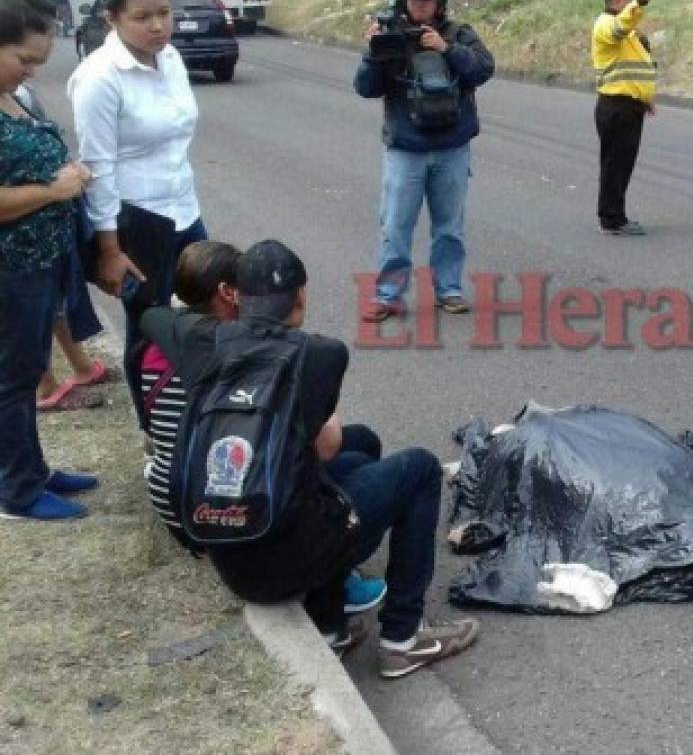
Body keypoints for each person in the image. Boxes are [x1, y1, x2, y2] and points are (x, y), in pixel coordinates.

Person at [146, 239, 480, 674]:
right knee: (418, 468)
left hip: (230, 559)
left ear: (237, 297)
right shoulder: (321, 354)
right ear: (301, 296)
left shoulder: (199, 340)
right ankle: (403, 638)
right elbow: (326, 443)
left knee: (350, 468)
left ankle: (329, 629)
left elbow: (154, 316)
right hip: (288, 558)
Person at [139, 241, 386, 615]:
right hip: (245, 515)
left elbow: (152, 316)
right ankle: (351, 605)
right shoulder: (227, 348)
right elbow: (325, 445)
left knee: (356, 445)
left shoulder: (179, 341)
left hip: (187, 503)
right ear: (230, 292)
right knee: (339, 457)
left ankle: (336, 581)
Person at [68, 0, 207, 427]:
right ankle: (155, 431)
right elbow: (99, 167)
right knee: (149, 330)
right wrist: (110, 249)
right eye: (142, 16)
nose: (157, 26)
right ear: (111, 18)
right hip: (136, 222)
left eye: (164, 13)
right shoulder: (99, 77)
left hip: (185, 210)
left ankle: (199, 415)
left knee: (209, 314)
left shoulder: (171, 59)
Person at [0, 0, 99, 521]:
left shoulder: (12, 97)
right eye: (25, 60)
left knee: (28, 368)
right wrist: (52, 191)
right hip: (10, 268)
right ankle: (17, 492)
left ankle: (30, 469)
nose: (32, 71)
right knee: (13, 380)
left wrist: (69, 176)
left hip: (38, 263)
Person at [354, 0, 495, 321]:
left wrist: (446, 49)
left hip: (452, 148)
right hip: (406, 149)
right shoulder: (389, 36)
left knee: (450, 226)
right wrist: (373, 53)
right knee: (396, 225)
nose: (419, 4)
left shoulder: (459, 33)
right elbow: (365, 89)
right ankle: (387, 295)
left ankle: (449, 289)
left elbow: (483, 69)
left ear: (440, 1)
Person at [591, 0, 658, 236]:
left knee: (621, 164)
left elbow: (634, 65)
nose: (633, 5)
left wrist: (644, 97)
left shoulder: (623, 27)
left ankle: (614, 215)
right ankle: (612, 219)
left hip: (628, 106)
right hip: (616, 107)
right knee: (615, 165)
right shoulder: (606, 25)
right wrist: (641, 1)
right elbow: (621, 26)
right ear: (619, 0)